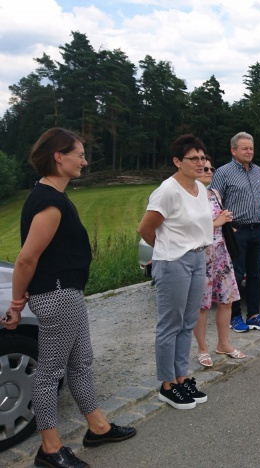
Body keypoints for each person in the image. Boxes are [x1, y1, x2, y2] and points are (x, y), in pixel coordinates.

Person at [2, 128, 135, 467]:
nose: (85, 161)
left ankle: (98, 427)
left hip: (66, 294)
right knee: (49, 376)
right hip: (58, 296)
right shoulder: (49, 201)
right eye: (79, 153)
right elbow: (27, 259)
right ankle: (49, 449)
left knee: (81, 364)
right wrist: (16, 304)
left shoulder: (51, 195)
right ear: (58, 156)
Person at [138, 134, 214, 410]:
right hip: (173, 262)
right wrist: (167, 251)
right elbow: (145, 229)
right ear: (176, 161)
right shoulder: (168, 190)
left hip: (197, 259)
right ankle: (167, 384)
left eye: (203, 158)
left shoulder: (201, 189)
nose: (200, 163)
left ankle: (182, 378)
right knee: (170, 324)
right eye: (193, 158)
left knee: (188, 321)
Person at [210, 132, 260, 333]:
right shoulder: (224, 172)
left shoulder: (258, 171)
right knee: (235, 276)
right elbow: (214, 199)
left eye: (251, 148)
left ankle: (254, 315)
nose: (249, 152)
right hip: (236, 231)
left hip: (257, 229)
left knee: (255, 274)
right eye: (245, 148)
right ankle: (235, 316)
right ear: (233, 150)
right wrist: (226, 225)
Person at [193, 157, 245, 367]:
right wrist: (217, 222)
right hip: (202, 253)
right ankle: (202, 348)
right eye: (204, 168)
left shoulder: (214, 193)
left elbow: (218, 221)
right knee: (202, 304)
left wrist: (224, 219)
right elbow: (191, 228)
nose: (208, 171)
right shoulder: (192, 196)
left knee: (227, 299)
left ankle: (224, 343)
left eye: (210, 168)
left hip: (221, 252)